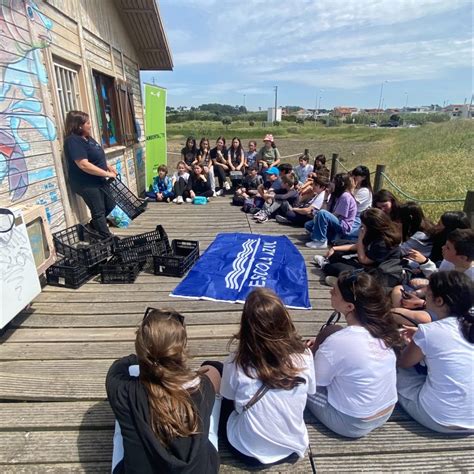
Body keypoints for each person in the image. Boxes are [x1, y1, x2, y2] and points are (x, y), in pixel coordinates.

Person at [106, 308, 221, 473]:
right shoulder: (202, 387)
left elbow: (118, 366)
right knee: (209, 406)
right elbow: (214, 373)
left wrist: (142, 357)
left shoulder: (122, 390)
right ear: (181, 352)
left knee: (121, 417)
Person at [220, 288, 316, 466]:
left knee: (221, 387)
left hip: (247, 451)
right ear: (284, 319)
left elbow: (229, 398)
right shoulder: (305, 355)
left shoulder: (236, 361)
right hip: (291, 446)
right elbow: (310, 391)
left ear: (247, 326)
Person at [306, 271, 402, 438]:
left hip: (351, 422)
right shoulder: (384, 330)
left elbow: (315, 382)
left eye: (334, 292)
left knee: (301, 384)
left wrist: (308, 355)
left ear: (350, 307)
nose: (330, 292)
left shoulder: (338, 342)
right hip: (386, 411)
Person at [397, 271, 474, 434]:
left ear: (439, 301)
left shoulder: (430, 331)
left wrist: (410, 342)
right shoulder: (467, 325)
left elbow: (403, 363)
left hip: (440, 419)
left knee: (393, 366)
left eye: (428, 294)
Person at [392, 228, 474, 325]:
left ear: (462, 257)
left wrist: (423, 303)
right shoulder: (448, 262)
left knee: (396, 314)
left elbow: (462, 311)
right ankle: (406, 323)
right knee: (398, 290)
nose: (442, 248)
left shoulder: (471, 278)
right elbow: (438, 282)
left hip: (448, 314)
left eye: (448, 248)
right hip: (433, 300)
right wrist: (417, 293)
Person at [63, 110, 117, 236]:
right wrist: (107, 174)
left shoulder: (87, 137)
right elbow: (83, 164)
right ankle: (107, 239)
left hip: (99, 180)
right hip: (86, 183)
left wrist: (108, 167)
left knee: (111, 205)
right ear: (79, 125)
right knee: (99, 211)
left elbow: (96, 156)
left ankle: (91, 228)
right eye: (87, 123)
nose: (90, 125)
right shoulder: (73, 141)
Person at [316, 208, 402, 287]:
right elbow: (357, 246)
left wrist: (360, 237)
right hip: (367, 264)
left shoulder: (384, 242)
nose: (361, 227)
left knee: (335, 267)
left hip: (377, 273)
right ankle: (344, 281)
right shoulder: (374, 233)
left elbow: (363, 260)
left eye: (363, 225)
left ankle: (345, 282)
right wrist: (335, 249)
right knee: (336, 254)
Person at [305, 173, 357, 249]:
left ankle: (321, 241)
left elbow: (336, 216)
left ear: (340, 184)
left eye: (333, 182)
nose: (331, 184)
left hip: (343, 225)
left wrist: (320, 217)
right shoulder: (335, 195)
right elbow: (325, 210)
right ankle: (326, 237)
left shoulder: (345, 196)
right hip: (335, 222)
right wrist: (326, 198)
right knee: (309, 225)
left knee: (322, 214)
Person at [345, 166, 373, 240]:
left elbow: (351, 203)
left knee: (346, 232)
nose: (353, 177)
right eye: (353, 175)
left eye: (356, 175)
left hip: (358, 217)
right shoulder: (355, 188)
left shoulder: (364, 191)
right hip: (349, 214)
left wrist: (351, 189)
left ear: (363, 177)